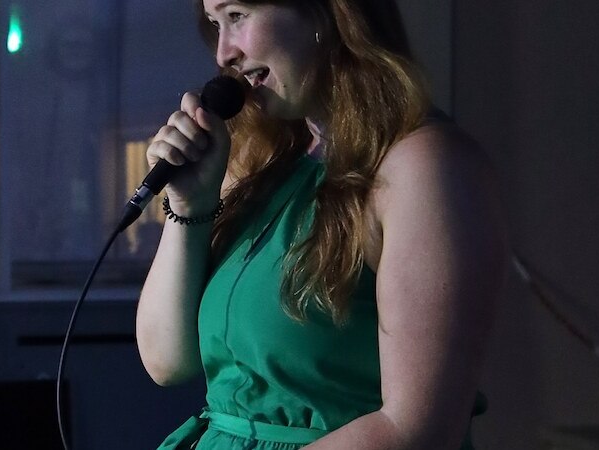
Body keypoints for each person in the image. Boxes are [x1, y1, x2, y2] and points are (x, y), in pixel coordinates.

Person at [136, 0, 508, 449]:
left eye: (237, 16)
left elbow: (416, 429)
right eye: (214, 25)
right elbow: (166, 361)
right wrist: (189, 206)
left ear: (326, 13)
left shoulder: (425, 167)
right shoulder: (260, 158)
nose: (223, 54)